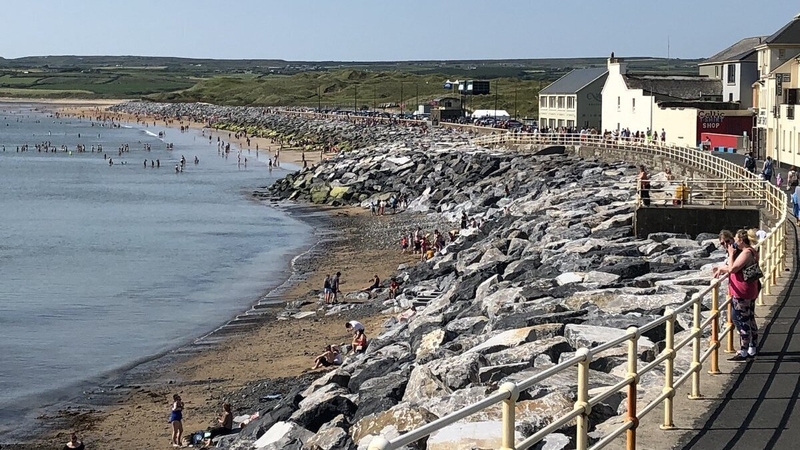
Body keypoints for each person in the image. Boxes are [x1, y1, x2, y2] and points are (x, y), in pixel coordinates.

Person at [713, 229, 760, 361]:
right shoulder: (751, 251)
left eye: (732, 240)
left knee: (742, 320)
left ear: (740, 240)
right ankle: (752, 347)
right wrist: (723, 267)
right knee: (749, 318)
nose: (728, 245)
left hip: (742, 290)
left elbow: (733, 268)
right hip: (748, 289)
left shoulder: (745, 253)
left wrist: (731, 255)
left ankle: (744, 350)